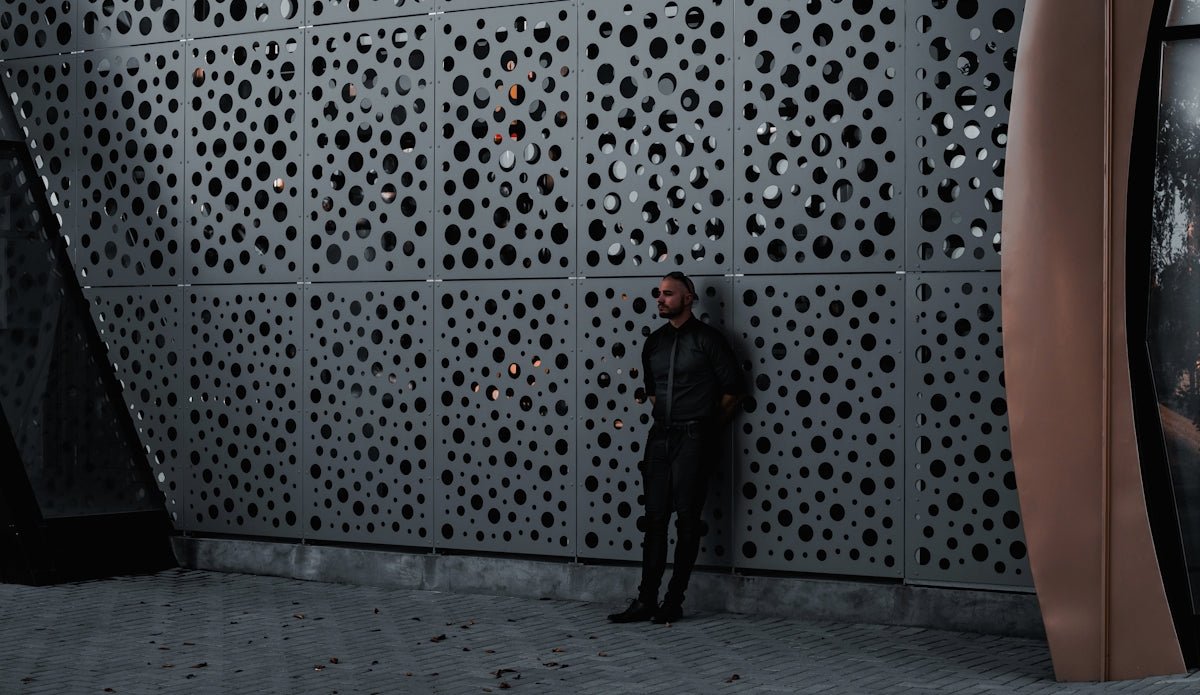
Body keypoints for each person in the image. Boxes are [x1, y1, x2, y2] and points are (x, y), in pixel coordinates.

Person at [608, 271, 745, 624]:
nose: (661, 298)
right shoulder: (653, 343)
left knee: (686, 521)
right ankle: (645, 600)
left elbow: (732, 391)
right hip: (659, 437)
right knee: (654, 520)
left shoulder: (709, 340)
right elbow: (653, 390)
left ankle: (674, 601)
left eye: (669, 294)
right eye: (659, 293)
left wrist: (705, 428)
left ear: (688, 298)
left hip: (695, 438)